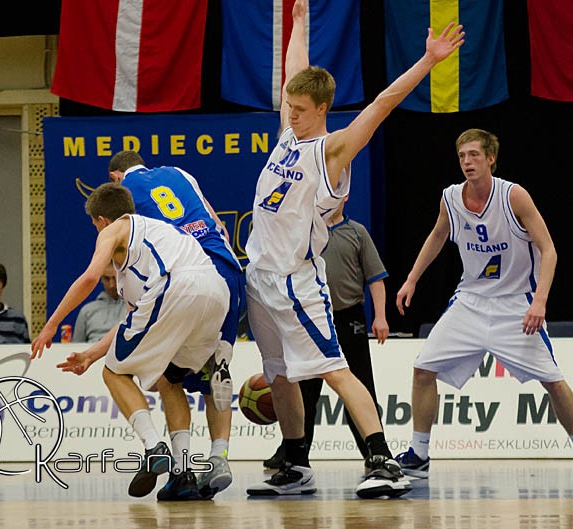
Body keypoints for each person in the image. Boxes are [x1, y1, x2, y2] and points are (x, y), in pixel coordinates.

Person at [243, 0, 463, 499]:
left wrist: (428, 61)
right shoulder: (287, 137)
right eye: (289, 107)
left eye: (300, 109)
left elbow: (382, 103)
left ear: (322, 109)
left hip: (297, 281)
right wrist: (299, 23)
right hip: (260, 279)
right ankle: (295, 464)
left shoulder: (331, 150)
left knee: (336, 370)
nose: (291, 114)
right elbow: (294, 72)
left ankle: (382, 459)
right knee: (280, 376)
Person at [394, 128, 573, 479]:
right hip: (471, 302)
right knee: (422, 369)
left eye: (474, 155)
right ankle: (420, 453)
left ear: (491, 158)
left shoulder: (513, 196)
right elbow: (438, 235)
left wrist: (540, 301)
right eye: (462, 156)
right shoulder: (451, 198)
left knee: (552, 380)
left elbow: (549, 250)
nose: (467, 162)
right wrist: (412, 278)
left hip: (515, 304)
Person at [30, 183, 230, 501]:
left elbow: (89, 277)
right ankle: (182, 474)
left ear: (102, 220)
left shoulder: (115, 229)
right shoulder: (157, 237)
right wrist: (91, 354)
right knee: (170, 378)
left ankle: (153, 447)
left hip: (176, 288)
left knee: (113, 373)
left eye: (95, 225)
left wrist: (51, 324)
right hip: (215, 294)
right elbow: (133, 319)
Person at [107, 150, 245, 499]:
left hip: (187, 273)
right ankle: (219, 457)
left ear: (115, 178)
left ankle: (180, 470)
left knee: (170, 379)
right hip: (227, 269)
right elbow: (216, 221)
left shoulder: (125, 197)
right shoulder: (180, 173)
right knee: (216, 374)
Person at [263, 196, 390, 469]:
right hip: (314, 317)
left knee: (360, 383)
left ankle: (374, 451)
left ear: (345, 197)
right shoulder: (306, 233)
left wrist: (380, 316)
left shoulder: (357, 232)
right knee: (305, 391)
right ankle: (294, 452)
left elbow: (376, 278)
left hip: (349, 318)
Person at [72, 265, 126, 343]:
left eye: (115, 278)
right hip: (93, 349)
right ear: (101, 279)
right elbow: (75, 345)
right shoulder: (87, 311)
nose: (111, 285)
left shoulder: (134, 307)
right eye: (107, 278)